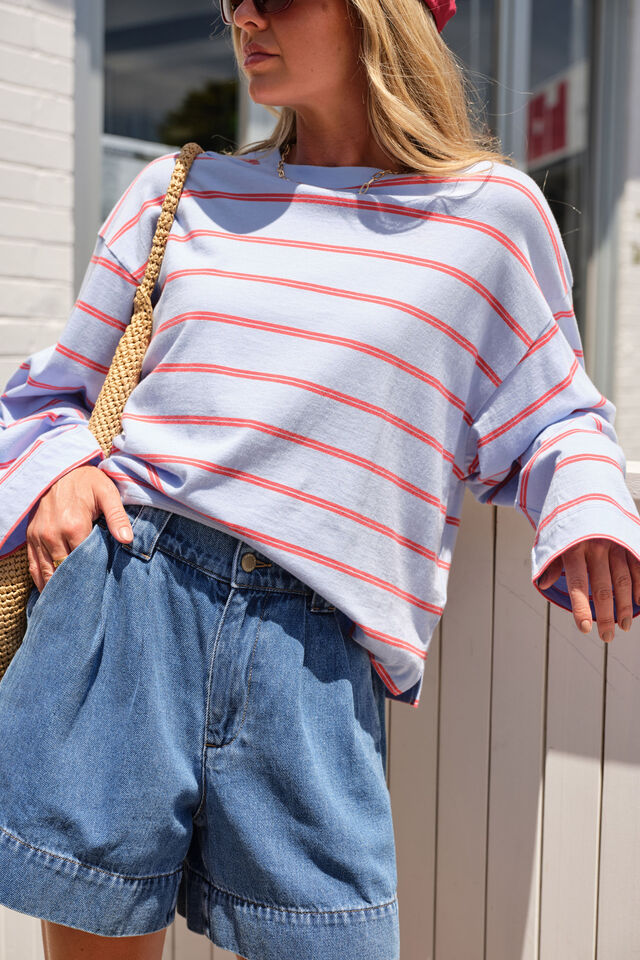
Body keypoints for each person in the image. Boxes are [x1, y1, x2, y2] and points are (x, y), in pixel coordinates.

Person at [0, 0, 639, 958]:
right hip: (127, 606)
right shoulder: (178, 193)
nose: (243, 16)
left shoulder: (490, 220)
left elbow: (555, 415)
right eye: (231, 0)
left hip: (316, 658)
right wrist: (59, 475)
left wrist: (588, 511)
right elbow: (42, 400)